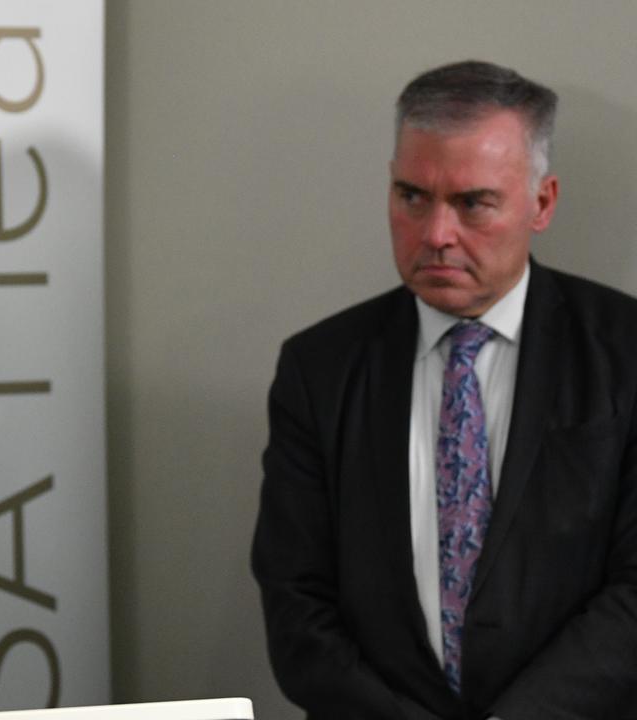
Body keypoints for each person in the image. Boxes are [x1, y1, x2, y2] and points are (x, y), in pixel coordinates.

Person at [252, 60, 637, 719]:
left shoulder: (625, 351)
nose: (435, 234)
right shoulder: (320, 368)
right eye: (412, 196)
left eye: (473, 202)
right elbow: (296, 600)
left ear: (541, 203)